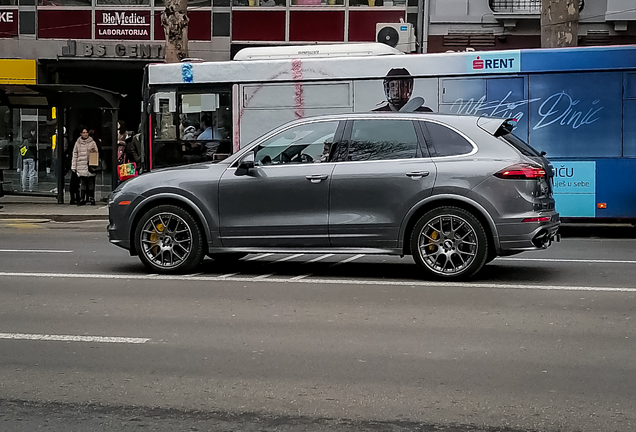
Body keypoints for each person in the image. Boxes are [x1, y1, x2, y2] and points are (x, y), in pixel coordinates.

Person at [71, 127, 99, 206]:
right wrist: (74, 166)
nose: (85, 134)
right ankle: (82, 198)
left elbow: (95, 154)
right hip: (81, 165)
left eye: (86, 132)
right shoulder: (78, 143)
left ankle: (91, 198)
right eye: (83, 132)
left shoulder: (92, 142)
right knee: (82, 183)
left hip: (90, 166)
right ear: (81, 134)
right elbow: (75, 155)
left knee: (90, 183)